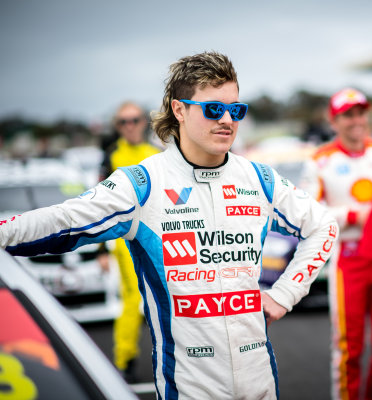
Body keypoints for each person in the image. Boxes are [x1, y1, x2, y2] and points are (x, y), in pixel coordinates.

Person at [0, 51, 338, 399]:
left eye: (236, 110)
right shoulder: (144, 183)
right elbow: (63, 220)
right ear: (179, 110)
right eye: (213, 108)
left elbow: (324, 225)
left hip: (260, 381)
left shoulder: (258, 178)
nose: (227, 120)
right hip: (190, 387)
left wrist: (284, 294)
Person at [301, 88, 372, 400]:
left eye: (360, 113)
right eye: (348, 115)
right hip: (348, 260)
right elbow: (309, 214)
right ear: (334, 120)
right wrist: (355, 214)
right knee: (348, 347)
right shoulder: (320, 161)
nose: (356, 120)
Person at [98, 101, 161, 381]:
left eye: (135, 120)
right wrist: (101, 248)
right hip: (123, 241)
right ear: (118, 126)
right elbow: (98, 204)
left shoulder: (156, 154)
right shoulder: (111, 156)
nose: (130, 126)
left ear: (143, 123)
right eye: (124, 122)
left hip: (159, 237)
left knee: (170, 295)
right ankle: (125, 360)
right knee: (132, 299)